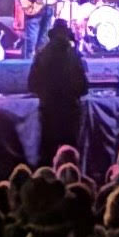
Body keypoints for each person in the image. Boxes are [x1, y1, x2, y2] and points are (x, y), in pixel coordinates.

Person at [28, 20, 91, 168]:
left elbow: (31, 85)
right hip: (70, 112)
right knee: (70, 156)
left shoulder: (41, 55)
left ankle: (46, 183)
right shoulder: (74, 56)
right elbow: (83, 87)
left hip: (48, 112)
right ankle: (72, 182)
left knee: (47, 155)